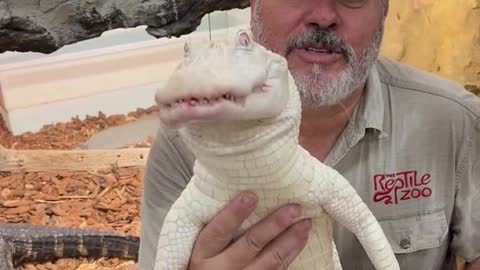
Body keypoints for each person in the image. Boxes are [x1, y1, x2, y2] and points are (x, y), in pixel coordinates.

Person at [138, 0, 480, 269]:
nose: (323, 15)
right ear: (255, 6)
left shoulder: (455, 121)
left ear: (384, 12)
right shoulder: (181, 143)